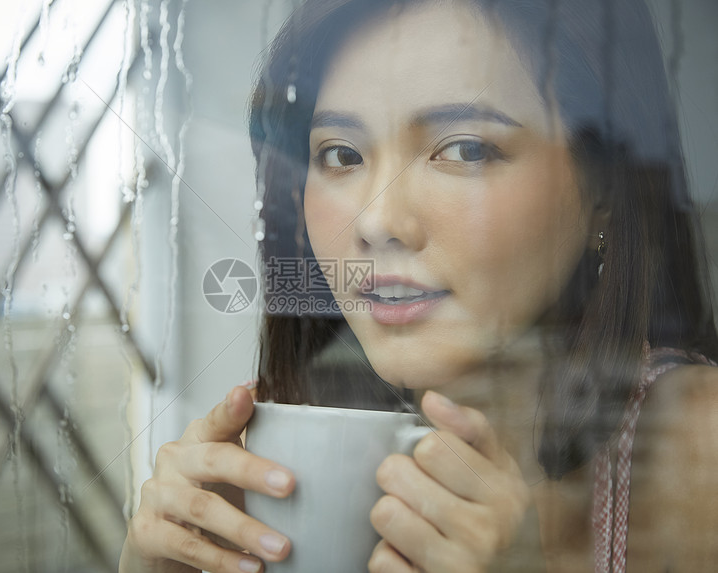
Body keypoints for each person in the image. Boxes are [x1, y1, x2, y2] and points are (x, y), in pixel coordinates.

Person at [120, 0, 718, 571]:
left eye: (465, 148)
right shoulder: (317, 454)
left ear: (605, 193)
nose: (379, 222)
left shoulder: (700, 446)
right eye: (341, 156)